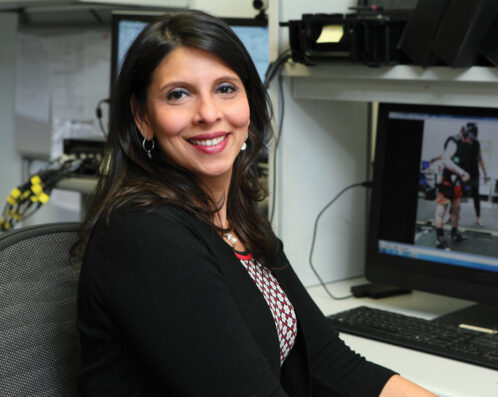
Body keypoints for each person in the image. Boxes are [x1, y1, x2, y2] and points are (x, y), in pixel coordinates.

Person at [74, 11, 436, 397]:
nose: (209, 113)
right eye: (178, 94)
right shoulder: (145, 236)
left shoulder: (238, 222)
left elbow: (333, 366)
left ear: (249, 101)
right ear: (143, 117)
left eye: (226, 89)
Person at [432, 124, 475, 249]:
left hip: (456, 183)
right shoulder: (453, 142)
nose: (471, 142)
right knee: (441, 211)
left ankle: (454, 233)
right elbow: (446, 159)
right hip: (446, 183)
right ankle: (440, 239)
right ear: (464, 134)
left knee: (456, 208)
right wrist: (462, 173)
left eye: (472, 140)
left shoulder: (465, 145)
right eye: (470, 139)